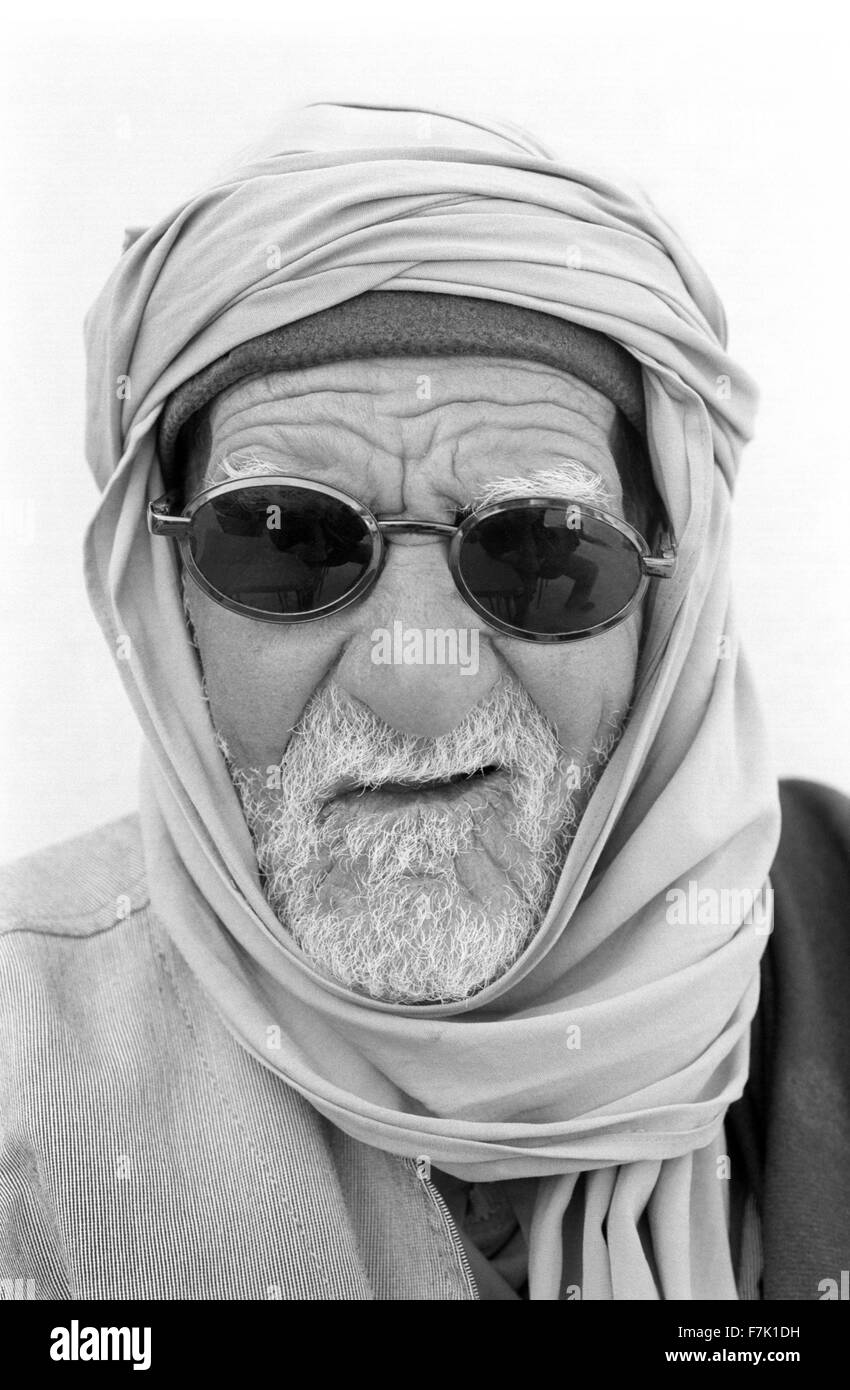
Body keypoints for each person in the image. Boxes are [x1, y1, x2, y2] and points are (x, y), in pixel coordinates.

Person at [1, 101, 847, 1302]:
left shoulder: (830, 937)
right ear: (164, 597)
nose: (416, 682)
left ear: (673, 595)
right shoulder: (24, 1071)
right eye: (283, 541)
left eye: (540, 551)